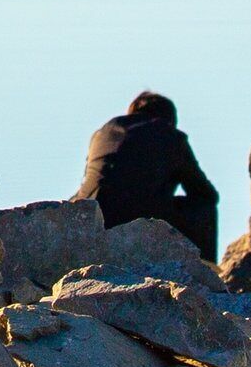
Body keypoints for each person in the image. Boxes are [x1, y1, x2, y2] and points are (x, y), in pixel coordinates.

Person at [77, 90, 221, 263]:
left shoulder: (102, 133)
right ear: (170, 119)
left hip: (88, 216)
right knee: (204, 205)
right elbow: (205, 192)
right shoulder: (169, 135)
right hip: (137, 220)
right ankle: (206, 273)